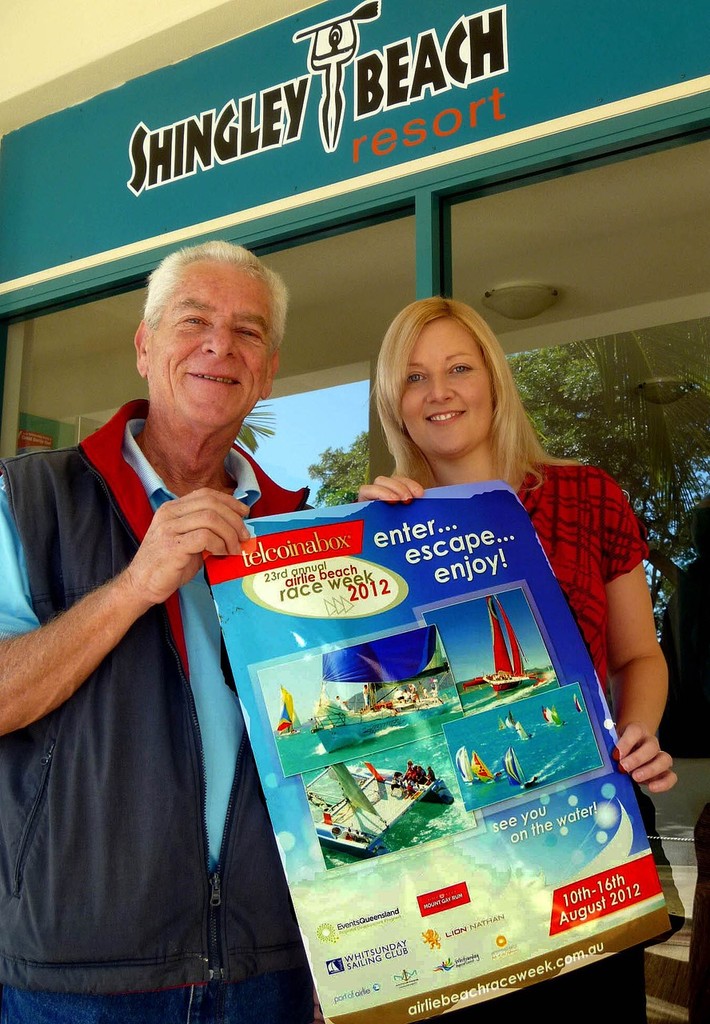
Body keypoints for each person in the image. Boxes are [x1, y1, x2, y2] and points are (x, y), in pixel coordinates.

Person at [0, 241, 319, 1023]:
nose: (220, 345)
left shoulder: (302, 531)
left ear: (268, 370)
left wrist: (393, 543)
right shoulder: (28, 497)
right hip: (78, 975)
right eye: (194, 321)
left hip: (267, 966)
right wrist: (136, 587)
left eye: (248, 332)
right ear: (145, 348)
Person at [358, 296, 677, 1022]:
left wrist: (639, 734)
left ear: (494, 380)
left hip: (588, 847)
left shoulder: (588, 494)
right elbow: (386, 710)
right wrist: (367, 541)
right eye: (413, 378)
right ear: (395, 405)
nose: (439, 391)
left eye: (458, 368)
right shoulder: (380, 533)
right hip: (456, 877)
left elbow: (638, 657)